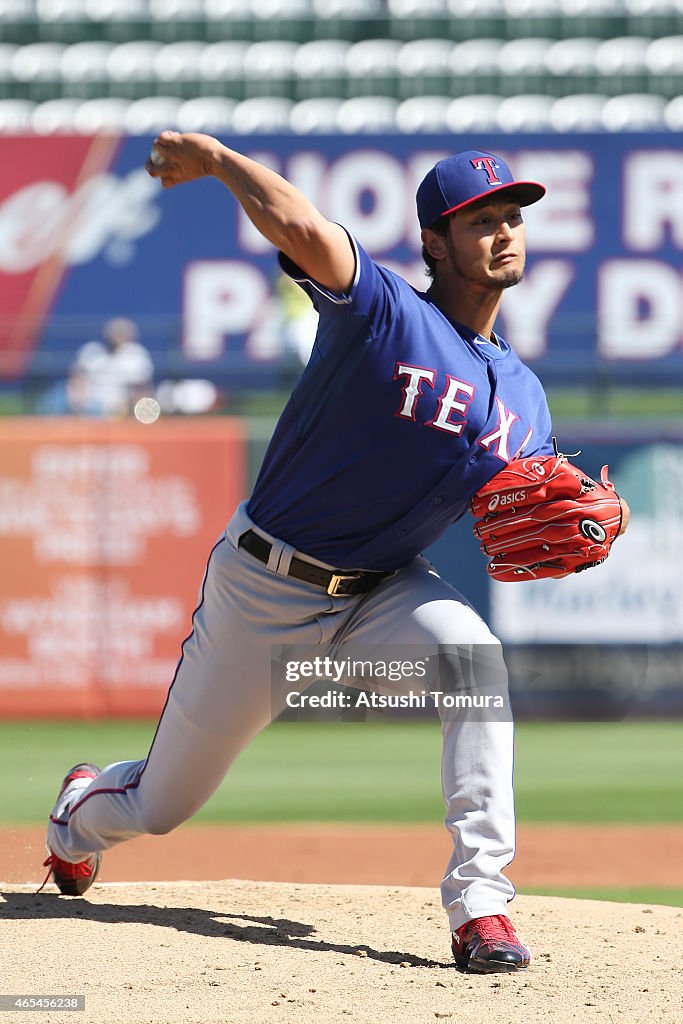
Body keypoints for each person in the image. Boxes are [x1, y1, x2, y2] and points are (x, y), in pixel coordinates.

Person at [40, 135, 630, 974]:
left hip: (380, 596)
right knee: (160, 804)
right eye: (480, 221)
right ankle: (74, 815)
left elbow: (524, 504)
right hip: (264, 590)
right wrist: (213, 158)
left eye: (511, 219)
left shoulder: (526, 396)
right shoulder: (384, 309)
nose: (503, 233)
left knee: (472, 661)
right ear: (435, 240)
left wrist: (594, 518)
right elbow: (297, 222)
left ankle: (480, 907)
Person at [70, 317, 154, 417]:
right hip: (91, 407)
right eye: (116, 332)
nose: (117, 336)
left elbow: (142, 389)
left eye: (121, 332)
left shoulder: (136, 355)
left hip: (122, 408)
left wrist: (130, 408)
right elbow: (76, 380)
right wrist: (81, 404)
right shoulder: (92, 351)